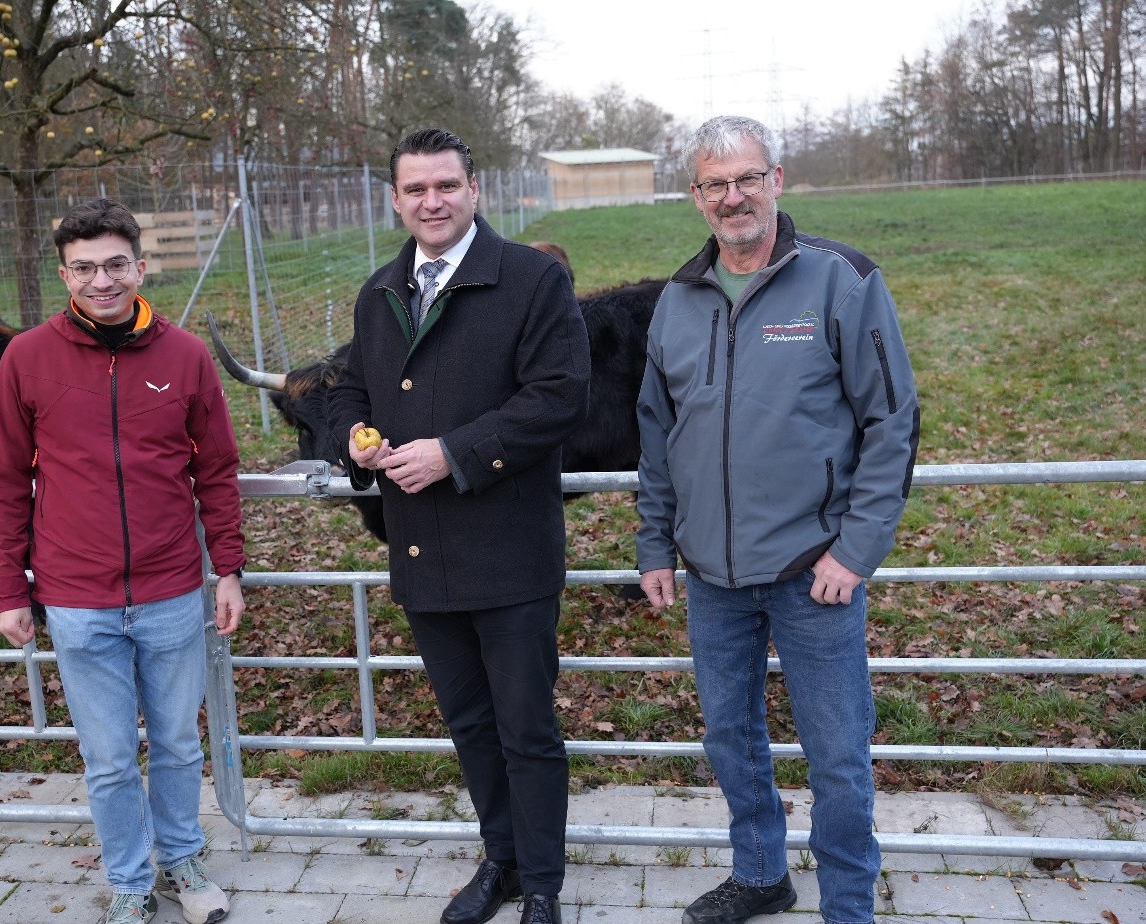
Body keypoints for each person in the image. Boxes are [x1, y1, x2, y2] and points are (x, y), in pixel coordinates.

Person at [635, 115, 920, 924]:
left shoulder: (841, 280)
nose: (735, 197)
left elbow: (892, 422)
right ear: (696, 197)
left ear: (777, 181)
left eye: (748, 178)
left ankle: (850, 907)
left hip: (814, 575)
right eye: (717, 183)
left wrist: (856, 552)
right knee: (731, 742)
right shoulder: (677, 305)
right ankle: (761, 873)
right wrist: (656, 542)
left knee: (836, 760)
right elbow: (657, 436)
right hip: (712, 579)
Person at [327, 128, 590, 924]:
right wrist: (352, 435)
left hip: (508, 549)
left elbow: (559, 396)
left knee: (526, 727)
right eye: (416, 190)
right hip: (421, 549)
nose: (431, 202)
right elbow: (346, 387)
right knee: (471, 724)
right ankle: (501, 862)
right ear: (397, 200)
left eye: (446, 186)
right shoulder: (380, 292)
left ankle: (542, 883)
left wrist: (453, 452)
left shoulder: (532, 281)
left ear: (475, 190)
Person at [0, 198, 246, 924]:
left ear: (141, 264)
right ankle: (130, 882)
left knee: (176, 744)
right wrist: (9, 590)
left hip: (169, 590)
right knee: (107, 757)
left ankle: (184, 861)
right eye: (85, 267)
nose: (103, 280)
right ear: (63, 272)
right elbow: (3, 478)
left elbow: (216, 470)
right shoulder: (26, 358)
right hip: (75, 597)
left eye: (116, 264)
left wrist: (227, 569)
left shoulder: (185, 356)